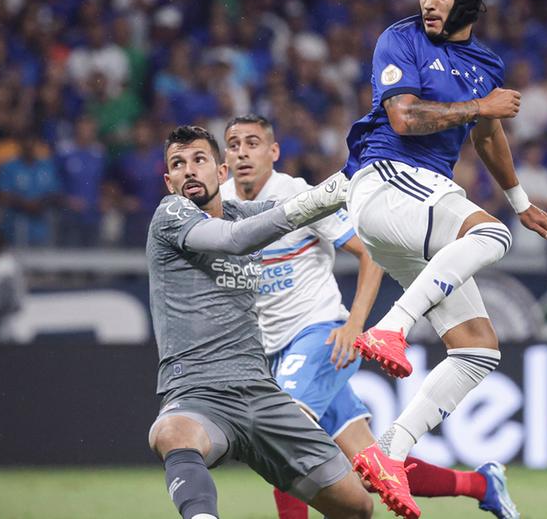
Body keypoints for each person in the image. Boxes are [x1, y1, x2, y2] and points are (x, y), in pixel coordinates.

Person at [221, 114, 518, 519]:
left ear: (273, 152)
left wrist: (353, 324)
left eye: (252, 143)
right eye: (234, 144)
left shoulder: (293, 196)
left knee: (282, 435)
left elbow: (368, 254)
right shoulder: (221, 207)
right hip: (272, 349)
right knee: (369, 469)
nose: (242, 152)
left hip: (320, 337)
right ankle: (481, 484)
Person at [342, 0, 547, 519]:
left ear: (468, 1)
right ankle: (391, 329)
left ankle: (389, 451)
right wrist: (480, 105)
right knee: (492, 238)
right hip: (388, 182)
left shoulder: (485, 62)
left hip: (418, 216)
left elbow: (488, 138)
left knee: (479, 351)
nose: (427, 1)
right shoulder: (401, 39)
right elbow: (405, 118)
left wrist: (520, 200)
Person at [144, 125, 371, 519]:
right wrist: (317, 199)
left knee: (356, 506)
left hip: (263, 395)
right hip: (201, 393)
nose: (188, 171)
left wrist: (355, 178)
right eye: (177, 165)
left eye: (199, 160)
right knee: (171, 433)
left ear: (221, 172)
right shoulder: (172, 214)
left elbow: (293, 210)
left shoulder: (239, 211)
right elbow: (236, 239)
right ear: (169, 181)